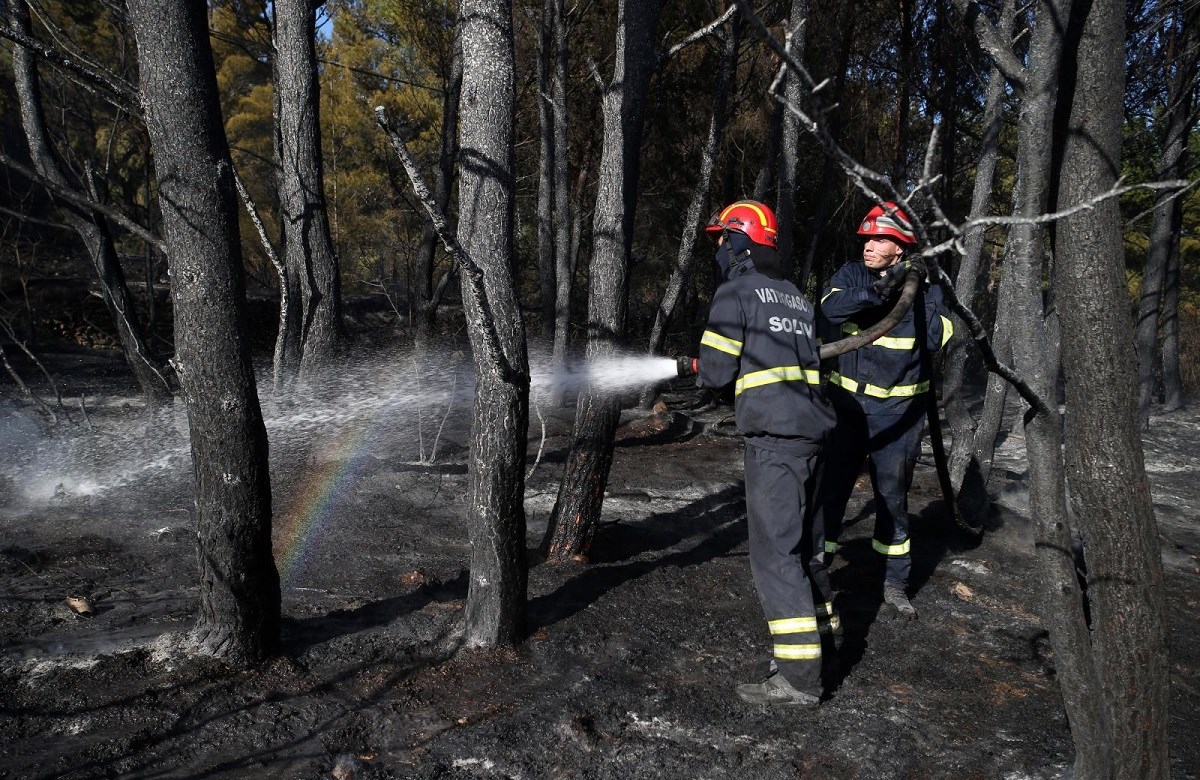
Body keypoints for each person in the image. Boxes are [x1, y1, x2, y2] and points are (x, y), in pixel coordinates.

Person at [695, 200, 838, 706]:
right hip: (815, 434)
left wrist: (698, 361)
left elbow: (715, 373)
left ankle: (799, 678)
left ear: (739, 239)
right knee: (808, 548)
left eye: (721, 239)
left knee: (776, 555)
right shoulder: (796, 297)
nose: (717, 248)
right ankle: (825, 646)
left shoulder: (735, 291)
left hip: (775, 441)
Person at [815, 202, 954, 620]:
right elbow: (829, 309)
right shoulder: (852, 275)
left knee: (892, 498)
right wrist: (876, 290)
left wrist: (916, 292)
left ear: (901, 247)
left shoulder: (928, 287)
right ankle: (815, 569)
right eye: (867, 239)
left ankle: (893, 582)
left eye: (879, 239)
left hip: (898, 413)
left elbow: (936, 339)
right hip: (847, 408)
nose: (869, 246)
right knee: (831, 491)